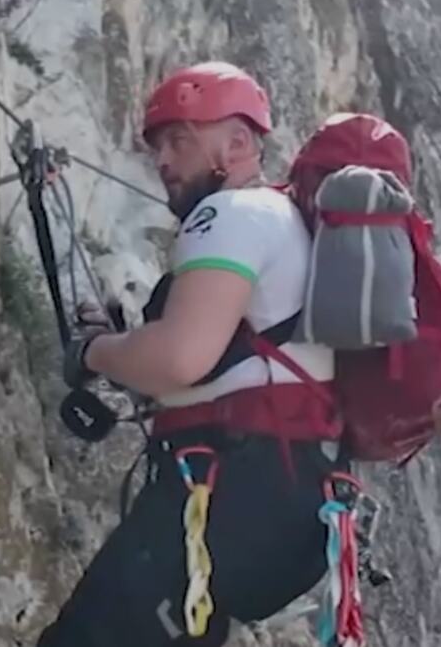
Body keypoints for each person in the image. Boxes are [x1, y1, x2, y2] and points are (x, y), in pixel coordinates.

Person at [39, 61, 349, 646]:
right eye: (157, 145)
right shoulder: (286, 225)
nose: (162, 160)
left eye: (179, 140)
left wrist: (95, 352)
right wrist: (128, 347)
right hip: (281, 501)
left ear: (238, 143)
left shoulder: (231, 213)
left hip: (228, 490)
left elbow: (181, 358)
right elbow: (217, 369)